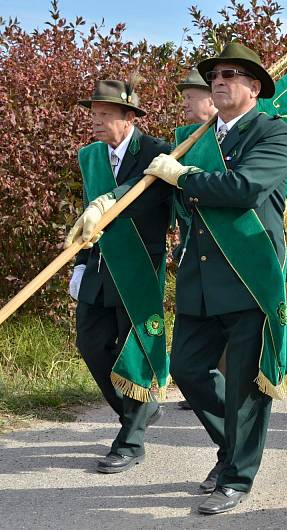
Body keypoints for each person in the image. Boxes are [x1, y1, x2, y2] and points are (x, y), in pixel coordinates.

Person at [143, 42, 287, 515]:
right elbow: (153, 180)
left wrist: (185, 178)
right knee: (188, 369)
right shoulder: (197, 137)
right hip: (200, 275)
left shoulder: (272, 134)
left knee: (245, 384)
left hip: (249, 275)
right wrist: (103, 204)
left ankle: (236, 477)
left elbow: (245, 188)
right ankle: (232, 448)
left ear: (255, 86)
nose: (219, 80)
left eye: (231, 74)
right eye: (214, 74)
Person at [66, 79, 171, 473]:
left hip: (139, 268)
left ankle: (130, 440)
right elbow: (85, 213)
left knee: (137, 350)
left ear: (129, 118)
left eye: (104, 114)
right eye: (93, 114)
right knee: (91, 344)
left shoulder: (157, 152)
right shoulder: (91, 156)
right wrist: (79, 264)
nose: (95, 121)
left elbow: (147, 196)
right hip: (97, 266)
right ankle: (138, 411)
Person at [175, 67, 219, 411]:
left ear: (211, 98)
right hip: (194, 248)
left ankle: (232, 400)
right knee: (187, 363)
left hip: (234, 252)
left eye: (191, 95)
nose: (185, 102)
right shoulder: (187, 138)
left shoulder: (235, 138)